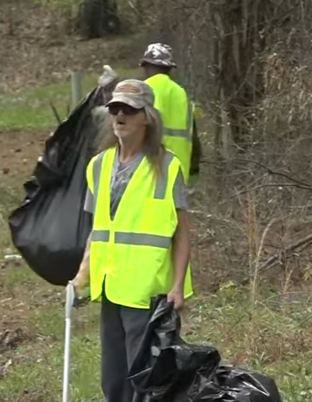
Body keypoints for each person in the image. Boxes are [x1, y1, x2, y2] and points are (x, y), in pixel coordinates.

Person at [70, 79, 194, 402]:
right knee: (113, 382)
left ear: (147, 117)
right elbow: (98, 231)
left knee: (146, 383)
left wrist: (177, 286)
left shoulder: (168, 167)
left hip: (148, 294)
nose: (120, 115)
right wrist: (81, 277)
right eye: (115, 108)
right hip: (111, 287)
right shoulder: (98, 167)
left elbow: (182, 232)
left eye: (129, 109)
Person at [139, 43, 196, 183]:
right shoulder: (181, 93)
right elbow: (193, 134)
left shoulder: (145, 88)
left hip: (152, 166)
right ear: (169, 68)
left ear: (147, 66)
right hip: (179, 168)